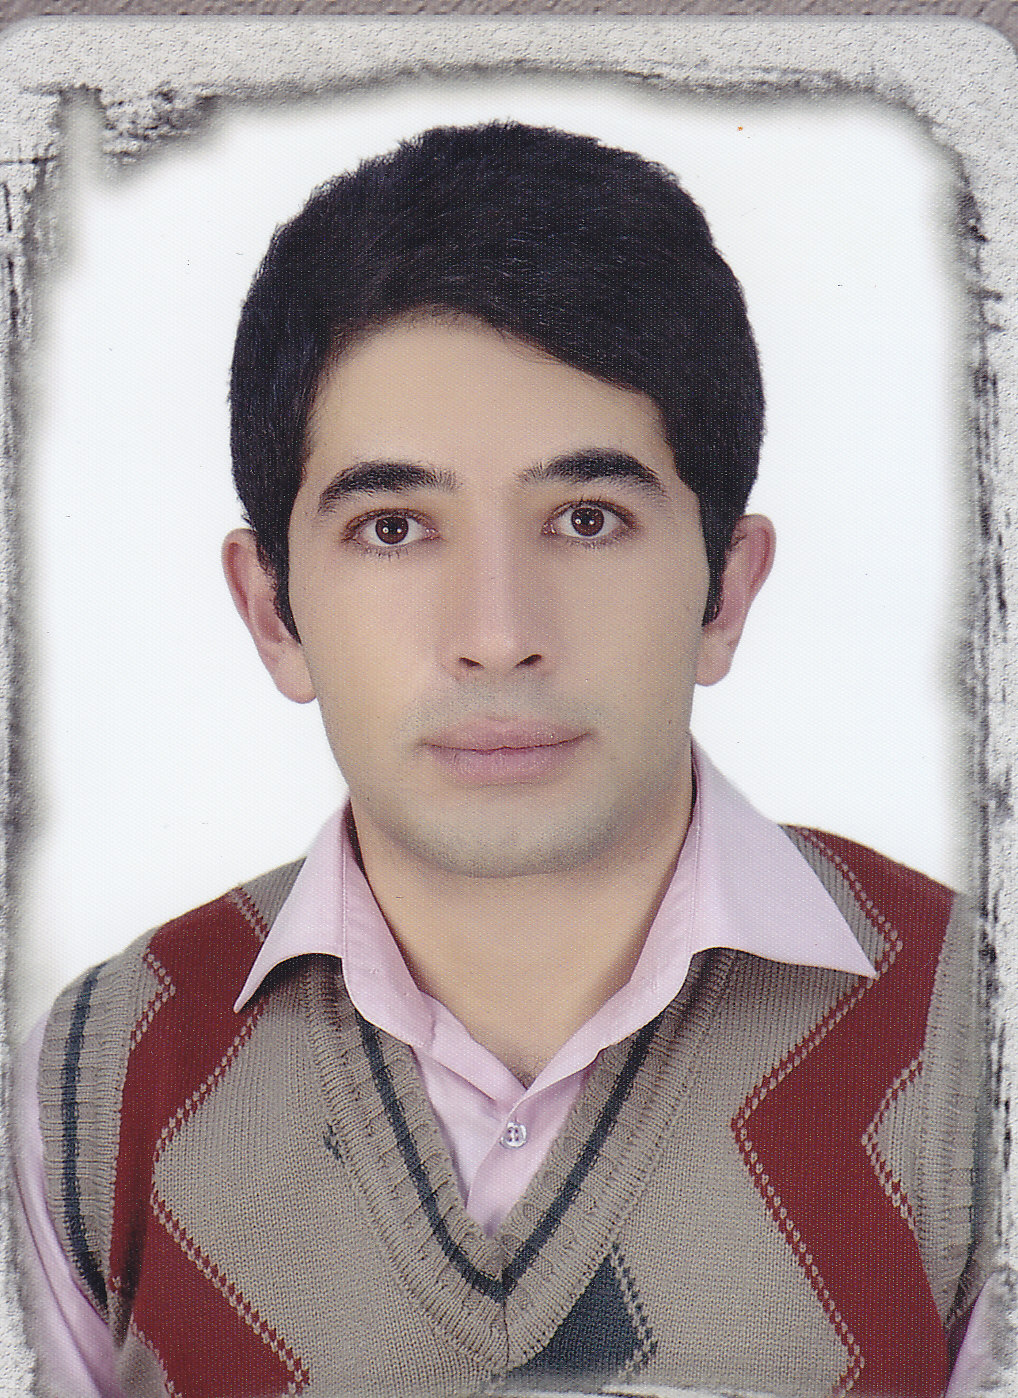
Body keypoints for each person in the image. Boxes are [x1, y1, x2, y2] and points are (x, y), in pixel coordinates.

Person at [14, 120, 987, 1397]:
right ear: (273, 613)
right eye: (393, 526)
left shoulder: (976, 1051)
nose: (496, 634)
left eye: (586, 518)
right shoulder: (95, 1083)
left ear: (724, 592)